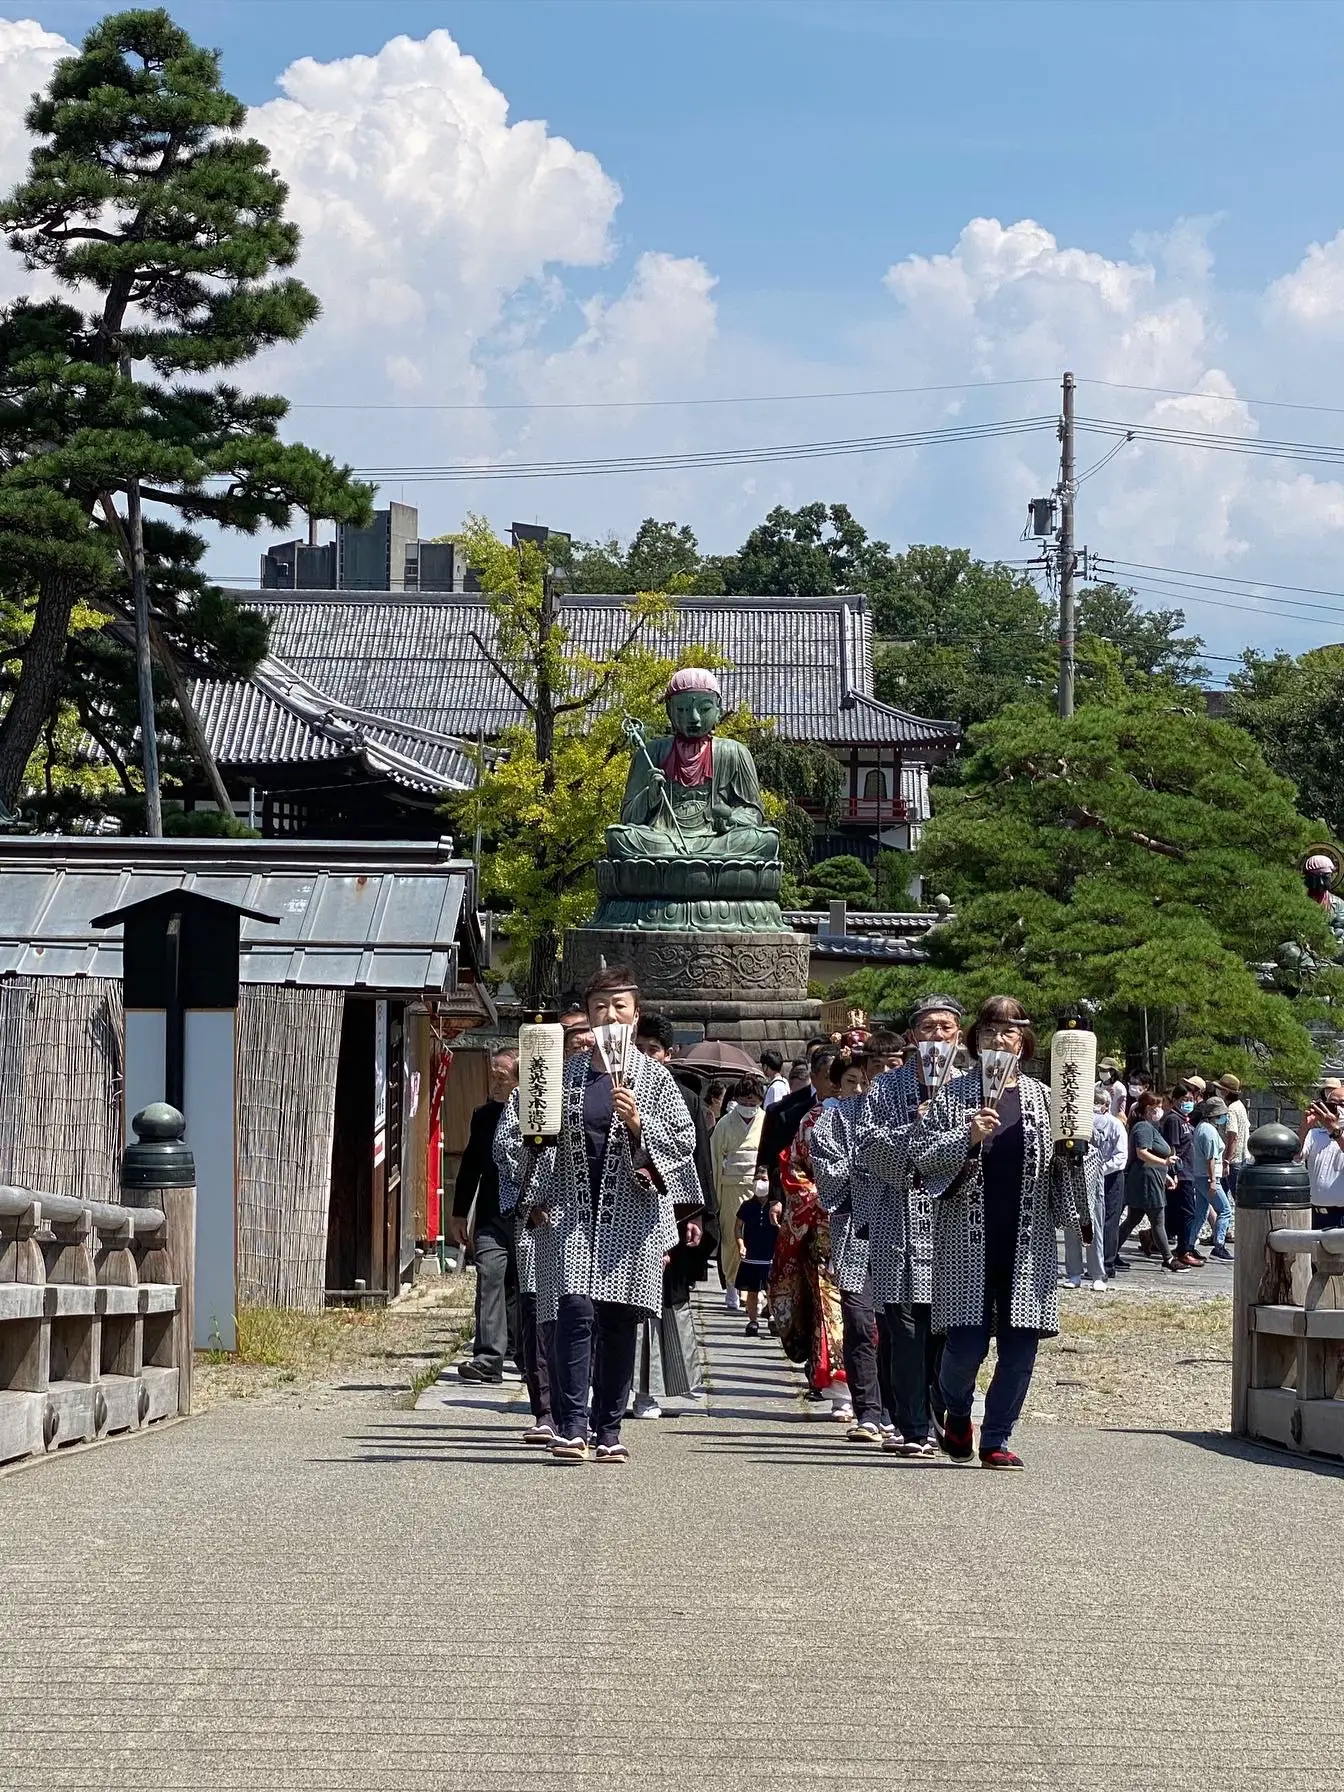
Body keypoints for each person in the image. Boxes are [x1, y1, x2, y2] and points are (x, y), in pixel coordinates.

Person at [494, 964, 702, 1465]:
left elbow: (682, 1143)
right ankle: (571, 1425)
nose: (610, 1015)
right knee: (574, 1312)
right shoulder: (555, 1076)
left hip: (629, 1218)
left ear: (636, 1015)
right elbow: (508, 1144)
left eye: (620, 1007)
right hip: (568, 1213)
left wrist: (639, 1125)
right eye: (600, 1007)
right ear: (587, 1015)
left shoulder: (655, 1078)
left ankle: (609, 1427)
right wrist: (533, 1152)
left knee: (618, 1320)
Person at [908, 995, 1093, 1471]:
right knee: (965, 1345)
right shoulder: (953, 1095)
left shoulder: (1043, 1098)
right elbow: (924, 1161)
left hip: (1026, 1240)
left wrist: (1079, 1203)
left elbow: (1066, 1167)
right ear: (974, 1040)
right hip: (965, 1238)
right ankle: (954, 1409)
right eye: (989, 1031)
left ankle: (996, 1437)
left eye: (1009, 1031)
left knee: (1020, 1345)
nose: (998, 1039)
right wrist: (966, 1137)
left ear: (1024, 1041)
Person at [853, 994, 965, 1461]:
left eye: (945, 1027)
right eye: (927, 1028)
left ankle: (944, 1412)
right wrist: (915, 1130)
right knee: (905, 1331)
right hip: (897, 1222)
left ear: (959, 1036)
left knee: (949, 1333)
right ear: (911, 1036)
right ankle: (912, 1426)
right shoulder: (885, 1088)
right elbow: (868, 1149)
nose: (936, 1036)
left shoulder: (973, 1088)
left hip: (954, 1226)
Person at [632, 1012, 716, 1417]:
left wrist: (698, 1215)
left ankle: (671, 1387)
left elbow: (698, 1161)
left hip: (673, 1211)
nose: (647, 1056)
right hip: (626, 1211)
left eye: (654, 1050)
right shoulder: (616, 1090)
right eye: (640, 1048)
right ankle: (629, 1389)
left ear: (668, 1054)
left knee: (669, 1300)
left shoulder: (685, 1097)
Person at [808, 1050, 886, 1443]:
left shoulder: (905, 1114)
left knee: (897, 1324)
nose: (861, 1087)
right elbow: (826, 1170)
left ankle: (895, 1408)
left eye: (867, 1079)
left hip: (900, 1232)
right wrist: (874, 1165)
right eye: (852, 1080)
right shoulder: (831, 1120)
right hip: (853, 1227)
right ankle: (867, 1409)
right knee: (858, 1319)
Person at [769, 1054, 850, 1419]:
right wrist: (823, 1200)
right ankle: (842, 1390)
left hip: (878, 1227)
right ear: (834, 1082)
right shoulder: (814, 1121)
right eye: (850, 1081)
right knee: (831, 1309)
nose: (860, 1088)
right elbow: (795, 1171)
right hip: (825, 1228)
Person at [450, 1049, 520, 1384]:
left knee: (524, 1285)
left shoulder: (540, 1117)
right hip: (492, 1214)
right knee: (490, 1274)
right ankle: (488, 1358)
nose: (494, 1082)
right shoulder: (483, 1116)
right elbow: (470, 1166)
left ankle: (525, 1354)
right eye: (492, 1075)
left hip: (528, 1215)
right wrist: (459, 1213)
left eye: (502, 1077)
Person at [711, 1075, 766, 1310]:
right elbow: (714, 1159)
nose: (748, 1104)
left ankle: (756, 1290)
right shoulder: (724, 1123)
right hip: (731, 1186)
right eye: (744, 1099)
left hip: (758, 1189)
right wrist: (714, 1195)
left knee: (758, 1240)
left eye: (753, 1100)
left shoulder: (766, 1120)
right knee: (732, 1237)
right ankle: (733, 1286)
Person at [1116, 1090, 1182, 1273]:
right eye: (1157, 1107)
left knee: (1133, 1219)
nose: (1160, 1110)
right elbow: (1142, 1152)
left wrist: (1166, 1174)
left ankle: (1111, 1252)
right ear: (1147, 1108)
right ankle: (1168, 1258)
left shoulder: (1149, 1126)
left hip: (1150, 1178)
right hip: (1147, 1180)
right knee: (1157, 1219)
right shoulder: (1143, 1127)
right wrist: (1165, 1163)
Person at [1084, 1084, 1127, 1286]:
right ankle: (1091, 1265)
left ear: (1107, 1105)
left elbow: (1121, 1156)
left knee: (1109, 1220)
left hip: (1111, 1176)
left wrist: (1102, 1168)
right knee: (1089, 1219)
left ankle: (1107, 1264)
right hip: (1087, 1175)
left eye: (1099, 1103)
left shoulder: (1115, 1125)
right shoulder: (1084, 1124)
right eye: (1092, 1102)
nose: (1095, 1106)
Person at [1160, 1083, 1201, 1267]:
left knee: (1175, 1212)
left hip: (1188, 1171)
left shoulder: (1185, 1120)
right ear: (1175, 1100)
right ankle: (1183, 1249)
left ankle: (1153, 1237)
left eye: (1191, 1100)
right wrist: (1173, 1172)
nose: (1188, 1103)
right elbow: (1172, 1148)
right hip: (1181, 1173)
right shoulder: (1173, 1120)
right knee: (1187, 1212)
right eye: (1184, 1100)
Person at [735, 1171, 778, 1335]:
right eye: (757, 1179)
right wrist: (741, 1245)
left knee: (771, 1290)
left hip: (770, 1256)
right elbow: (738, 1227)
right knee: (752, 1290)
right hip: (751, 1256)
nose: (760, 1183)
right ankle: (753, 1321)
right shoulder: (747, 1206)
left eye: (764, 1179)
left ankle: (773, 1317)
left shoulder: (775, 1206)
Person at [1191, 1096, 1233, 1259]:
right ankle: (1219, 1244)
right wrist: (1213, 1181)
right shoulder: (1209, 1131)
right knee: (1225, 1210)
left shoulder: (1201, 1127)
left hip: (1200, 1176)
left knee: (1200, 1213)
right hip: (1209, 1177)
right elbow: (1211, 1158)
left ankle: (1189, 1243)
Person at [1297, 1086, 1344, 1229]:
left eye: (1341, 1104)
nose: (1335, 1108)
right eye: (1331, 1103)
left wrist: (1333, 1129)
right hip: (1315, 1213)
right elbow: (1296, 1157)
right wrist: (1305, 1127)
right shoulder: (1315, 1134)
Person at [1217, 1074, 1250, 1205]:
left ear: (1225, 1091)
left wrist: (1226, 1161)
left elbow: (1232, 1136)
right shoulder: (1240, 1106)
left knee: (1237, 1199)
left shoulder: (1231, 1110)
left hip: (1232, 1160)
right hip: (1241, 1158)